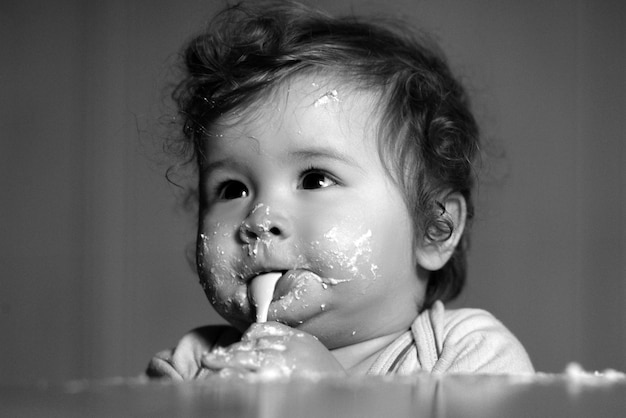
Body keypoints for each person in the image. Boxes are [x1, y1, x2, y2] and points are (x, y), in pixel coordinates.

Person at [146, 0, 534, 380]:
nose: (259, 219)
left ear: (434, 227)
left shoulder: (466, 353)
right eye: (232, 189)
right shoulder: (193, 366)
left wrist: (334, 398)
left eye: (315, 180)